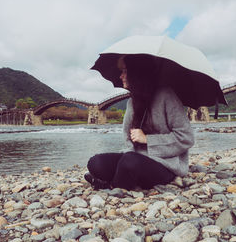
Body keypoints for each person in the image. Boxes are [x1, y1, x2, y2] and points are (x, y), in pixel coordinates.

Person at [84, 54, 195, 190]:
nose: (121, 76)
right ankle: (124, 178)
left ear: (137, 73)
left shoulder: (167, 95)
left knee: (130, 162)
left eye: (125, 71)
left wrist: (147, 139)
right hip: (136, 158)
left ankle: (112, 186)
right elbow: (127, 138)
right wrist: (124, 158)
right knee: (96, 162)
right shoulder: (132, 102)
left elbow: (187, 138)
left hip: (166, 165)